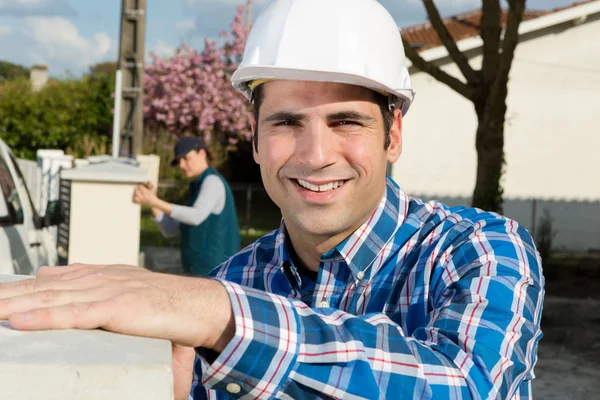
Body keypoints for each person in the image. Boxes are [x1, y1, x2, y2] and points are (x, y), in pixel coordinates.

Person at [0, 1, 544, 399]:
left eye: (346, 121)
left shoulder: (480, 251)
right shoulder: (233, 278)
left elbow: (468, 388)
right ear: (255, 138)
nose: (315, 154)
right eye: (287, 122)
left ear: (393, 135)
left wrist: (220, 316)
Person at [133, 136, 241, 276]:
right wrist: (152, 201)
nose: (182, 165)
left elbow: (195, 216)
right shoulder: (198, 186)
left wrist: (154, 201)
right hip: (200, 274)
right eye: (179, 161)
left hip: (217, 275)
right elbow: (169, 230)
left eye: (186, 158)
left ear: (202, 153)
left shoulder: (212, 182)